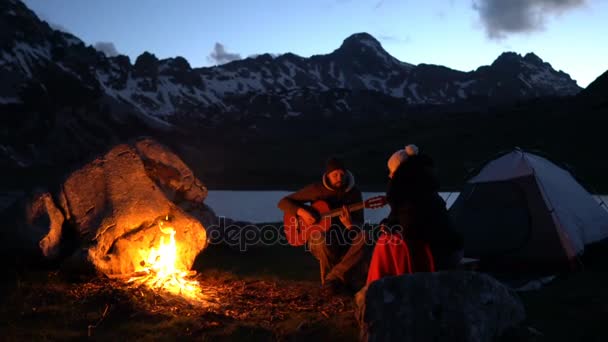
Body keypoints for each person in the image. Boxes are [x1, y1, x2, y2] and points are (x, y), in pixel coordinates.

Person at [366, 145, 464, 285]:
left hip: (436, 249)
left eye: (392, 172)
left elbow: (410, 226)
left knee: (388, 243)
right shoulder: (425, 186)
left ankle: (384, 287)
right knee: (388, 240)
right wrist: (389, 225)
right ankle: (383, 286)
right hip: (448, 246)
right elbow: (403, 219)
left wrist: (388, 227)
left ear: (399, 172)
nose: (390, 176)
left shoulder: (411, 192)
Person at [278, 157, 367, 295]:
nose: (339, 178)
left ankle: (333, 280)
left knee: (364, 238)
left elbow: (359, 224)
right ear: (328, 175)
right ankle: (332, 285)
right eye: (335, 175)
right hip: (320, 238)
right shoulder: (316, 190)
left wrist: (350, 225)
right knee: (322, 238)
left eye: (342, 174)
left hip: (344, 238)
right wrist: (302, 212)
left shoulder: (354, 193)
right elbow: (283, 202)